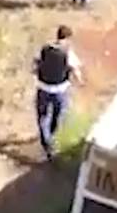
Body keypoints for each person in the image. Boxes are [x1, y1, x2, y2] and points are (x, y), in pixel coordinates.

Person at [32, 25, 82, 161]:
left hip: (43, 88)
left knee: (42, 117)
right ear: (67, 38)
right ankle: (50, 138)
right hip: (59, 90)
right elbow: (75, 69)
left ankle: (46, 142)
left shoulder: (45, 48)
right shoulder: (68, 53)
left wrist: (38, 73)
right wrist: (80, 82)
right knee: (57, 115)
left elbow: (35, 64)